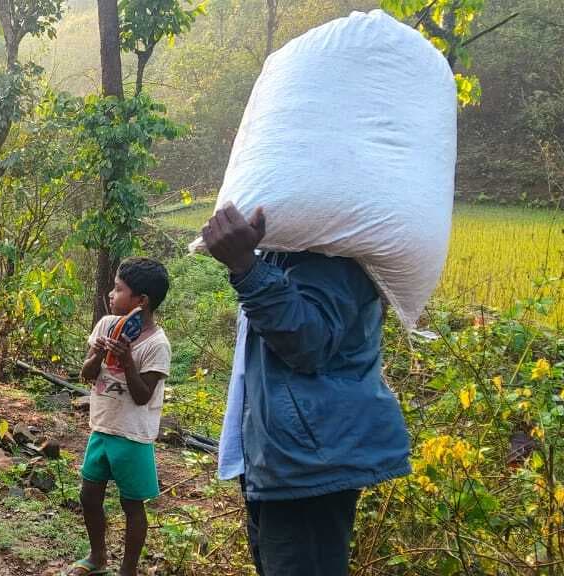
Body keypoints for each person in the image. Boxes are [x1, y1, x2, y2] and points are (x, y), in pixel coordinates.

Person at [201, 203, 411, 576]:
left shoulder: (329, 254)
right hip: (286, 458)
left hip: (311, 462)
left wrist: (246, 268)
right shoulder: (285, 250)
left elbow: (308, 341)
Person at [63, 258, 171, 576]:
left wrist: (127, 361)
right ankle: (97, 557)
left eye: (119, 289)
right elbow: (86, 374)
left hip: (133, 436)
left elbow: (141, 395)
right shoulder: (107, 324)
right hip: (102, 427)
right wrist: (97, 353)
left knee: (131, 505)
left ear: (141, 300)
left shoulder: (157, 345)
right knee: (89, 495)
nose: (111, 294)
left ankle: (129, 570)